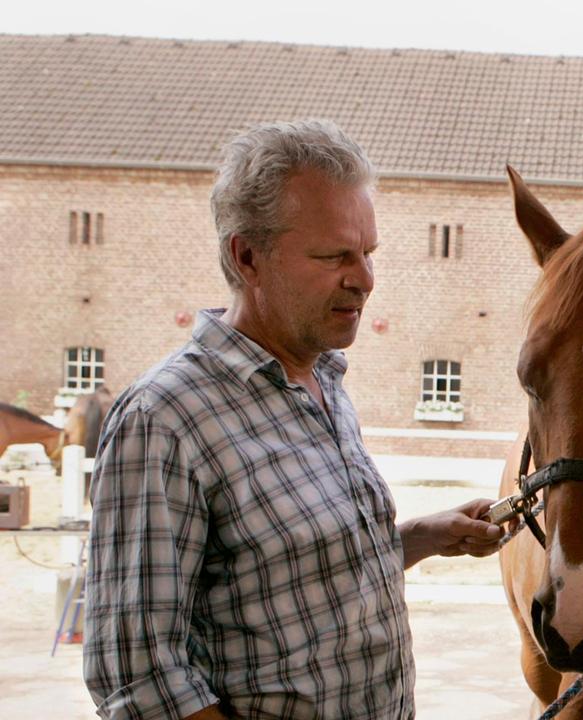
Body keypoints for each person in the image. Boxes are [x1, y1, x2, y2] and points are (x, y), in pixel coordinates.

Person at [83, 120, 503, 720]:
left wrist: (418, 538)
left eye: (368, 254)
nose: (365, 279)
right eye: (336, 256)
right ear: (248, 257)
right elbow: (142, 677)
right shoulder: (165, 418)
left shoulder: (321, 377)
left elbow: (286, 577)